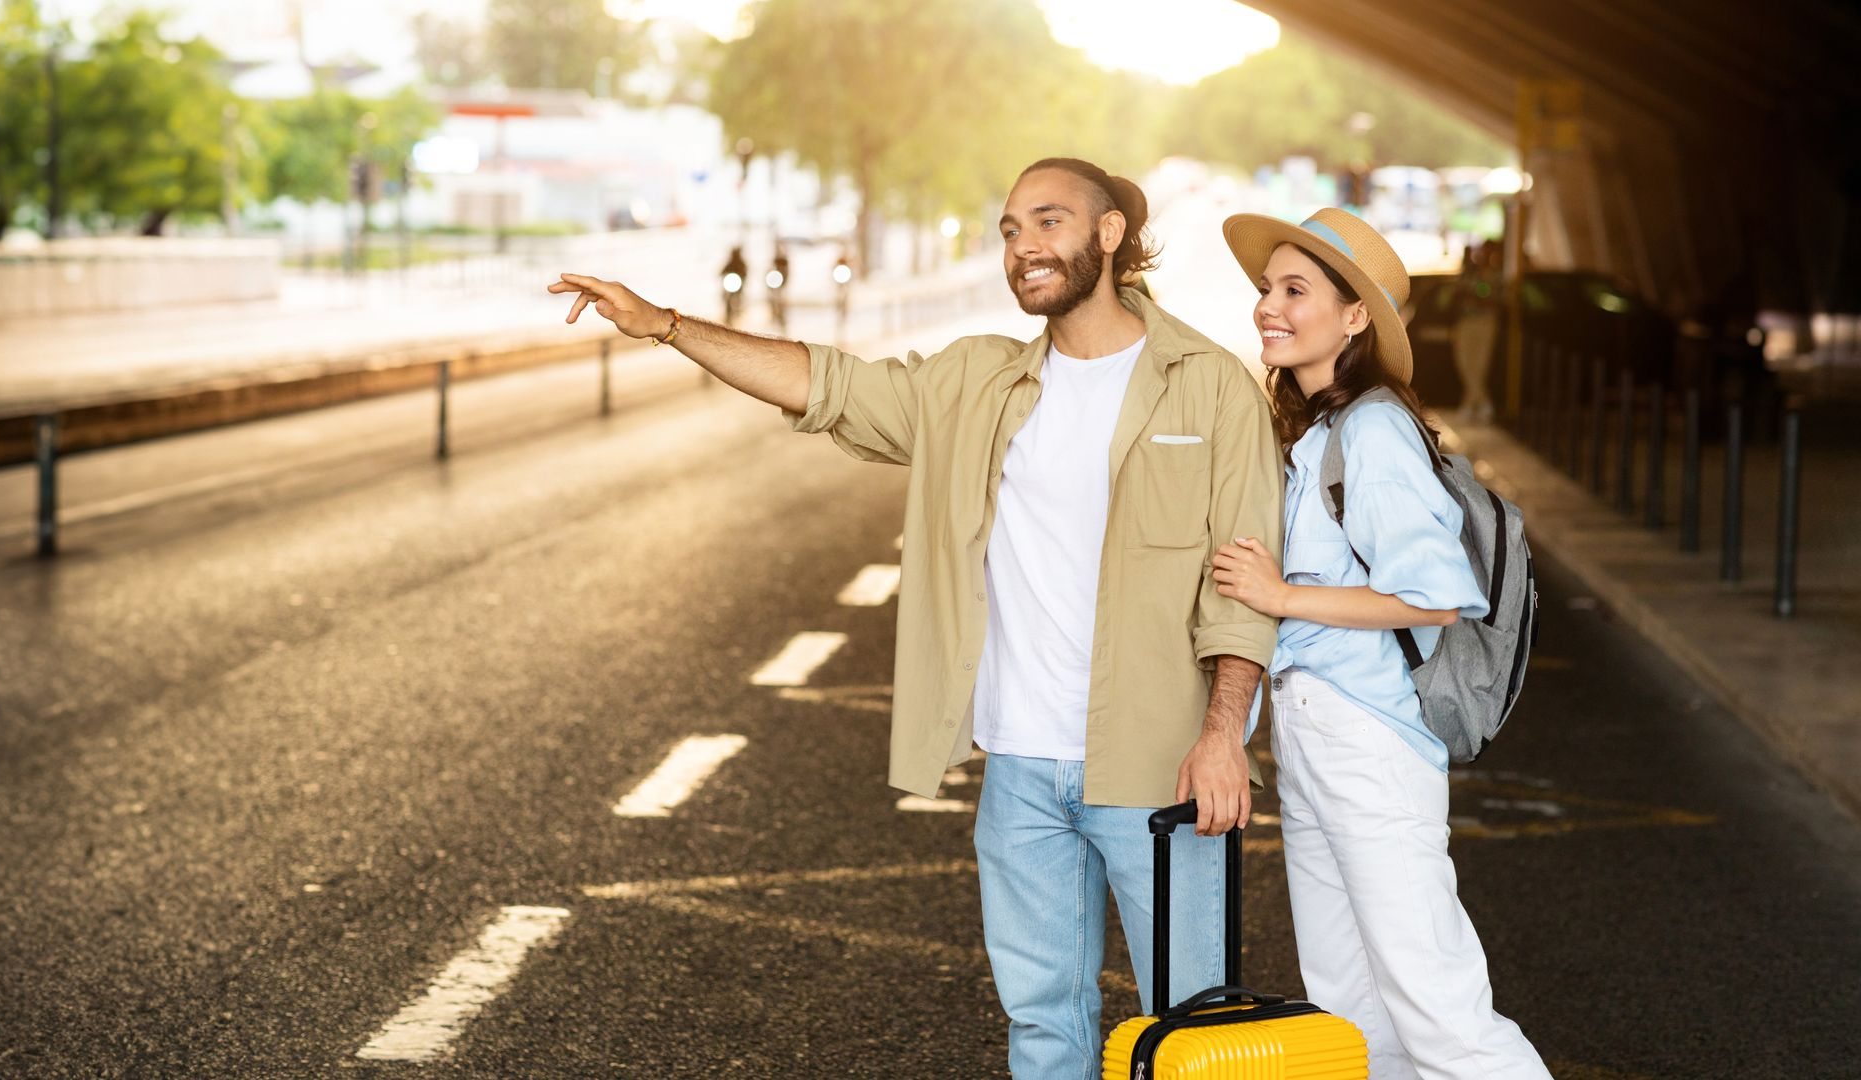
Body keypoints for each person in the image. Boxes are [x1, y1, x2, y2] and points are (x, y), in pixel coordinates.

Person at [549, 157, 1283, 1079]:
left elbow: (1243, 585)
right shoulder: (974, 383)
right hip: (1019, 770)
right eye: (1010, 229)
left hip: (1161, 768)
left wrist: (1224, 735)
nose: (1023, 247)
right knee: (1044, 1025)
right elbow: (828, 385)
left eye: (1047, 223)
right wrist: (661, 324)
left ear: (1109, 235)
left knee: (1195, 1033)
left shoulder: (1211, 384)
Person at [1208, 208, 1552, 1080]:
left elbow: (1437, 597)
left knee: (1439, 1010)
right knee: (1350, 1011)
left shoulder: (1373, 430)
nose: (1268, 308)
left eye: (1295, 290)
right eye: (1265, 289)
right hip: (1317, 736)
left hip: (1370, 739)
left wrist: (1282, 595)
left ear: (1355, 316)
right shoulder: (1321, 429)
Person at [1451, 238, 1502, 423]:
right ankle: (1482, 402)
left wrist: (1477, 298)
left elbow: (1498, 300)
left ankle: (1472, 405)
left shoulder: (1496, 275)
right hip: (1466, 321)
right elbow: (1457, 294)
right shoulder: (1470, 273)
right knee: (1464, 362)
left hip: (1485, 322)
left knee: (1480, 364)